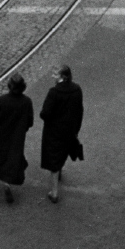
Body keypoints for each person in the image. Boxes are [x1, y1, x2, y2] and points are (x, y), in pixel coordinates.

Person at [0, 73, 34, 203]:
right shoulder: (27, 102)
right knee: (10, 160)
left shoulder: (2, 100)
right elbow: (30, 121)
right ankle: (6, 184)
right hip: (16, 138)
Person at [40, 66, 84, 203]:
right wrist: (76, 128)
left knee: (53, 158)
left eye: (55, 74)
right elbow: (79, 111)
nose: (53, 76)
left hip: (54, 131)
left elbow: (45, 113)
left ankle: (54, 193)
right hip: (69, 129)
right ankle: (59, 171)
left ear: (63, 77)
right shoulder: (77, 89)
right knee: (63, 152)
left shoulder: (54, 92)